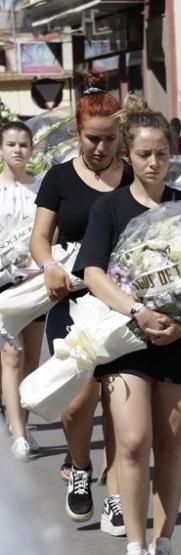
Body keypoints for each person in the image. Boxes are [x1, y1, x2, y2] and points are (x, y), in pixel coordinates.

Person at [74, 96, 181, 555]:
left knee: (170, 445)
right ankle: (134, 548)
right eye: (145, 154)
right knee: (131, 443)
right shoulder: (110, 207)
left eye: (162, 154)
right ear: (128, 155)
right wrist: (137, 310)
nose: (154, 163)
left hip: (180, 338)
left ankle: (164, 541)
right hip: (126, 339)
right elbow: (92, 272)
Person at [31, 71, 132, 533]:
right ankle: (78, 467)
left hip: (120, 301)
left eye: (110, 139)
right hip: (70, 298)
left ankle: (115, 493)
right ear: (79, 132)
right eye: (94, 139)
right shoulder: (58, 178)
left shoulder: (131, 175)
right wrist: (50, 265)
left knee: (117, 400)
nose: (101, 148)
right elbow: (39, 239)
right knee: (76, 402)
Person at [0, 122, 43, 461]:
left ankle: (24, 424)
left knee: (31, 359)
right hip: (4, 287)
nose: (17, 150)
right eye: (11, 144)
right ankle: (17, 435)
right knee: (10, 357)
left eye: (23, 145)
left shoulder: (41, 188)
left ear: (32, 149)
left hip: (36, 284)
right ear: (1, 149)